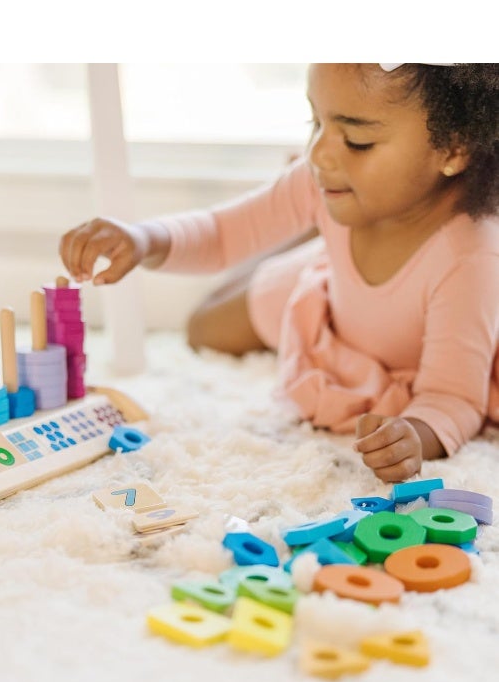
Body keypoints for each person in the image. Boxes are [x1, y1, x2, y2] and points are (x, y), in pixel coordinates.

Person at [60, 64, 499, 482]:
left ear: (453, 148)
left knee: (210, 321)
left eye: (357, 141)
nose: (319, 155)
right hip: (325, 299)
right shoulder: (317, 176)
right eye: (316, 123)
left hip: (401, 335)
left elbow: (453, 398)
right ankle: (309, 231)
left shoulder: (470, 258)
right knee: (202, 328)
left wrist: (415, 437)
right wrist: (143, 240)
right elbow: (221, 234)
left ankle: (311, 228)